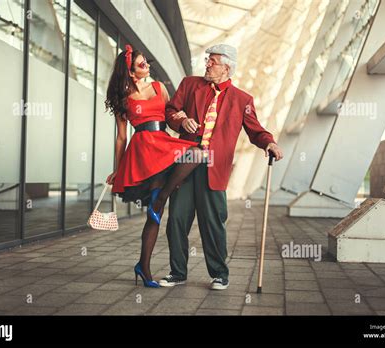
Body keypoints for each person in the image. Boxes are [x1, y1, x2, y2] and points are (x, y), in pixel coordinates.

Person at [159, 44, 284, 290]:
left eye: (212, 61)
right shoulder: (189, 84)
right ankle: (177, 272)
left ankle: (219, 274)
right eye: (207, 60)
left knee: (213, 222)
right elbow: (170, 111)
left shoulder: (242, 99)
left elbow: (254, 129)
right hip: (185, 163)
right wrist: (183, 120)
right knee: (176, 218)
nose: (207, 64)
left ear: (226, 68)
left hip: (214, 169)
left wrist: (268, 142)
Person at [105, 45, 203, 288]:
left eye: (146, 62)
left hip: (163, 143)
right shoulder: (123, 98)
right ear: (129, 72)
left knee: (197, 154)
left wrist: (183, 120)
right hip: (143, 151)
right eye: (141, 64)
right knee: (154, 218)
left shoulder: (160, 87)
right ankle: (144, 268)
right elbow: (121, 137)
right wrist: (117, 169)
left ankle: (161, 198)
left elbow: (171, 115)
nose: (147, 66)